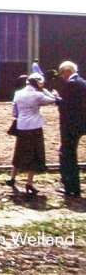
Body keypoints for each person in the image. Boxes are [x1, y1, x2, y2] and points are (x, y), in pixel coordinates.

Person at [4, 73, 57, 195]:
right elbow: (53, 100)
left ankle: (12, 178)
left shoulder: (18, 94)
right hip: (35, 127)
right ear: (38, 83)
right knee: (34, 154)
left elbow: (14, 112)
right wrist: (45, 90)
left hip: (22, 126)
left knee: (19, 152)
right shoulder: (38, 95)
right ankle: (29, 183)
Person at [55, 61, 86, 197]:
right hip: (81, 123)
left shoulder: (71, 84)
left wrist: (57, 98)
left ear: (67, 71)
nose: (62, 77)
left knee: (67, 154)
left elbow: (67, 105)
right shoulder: (82, 82)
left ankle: (71, 188)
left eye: (62, 73)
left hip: (71, 125)